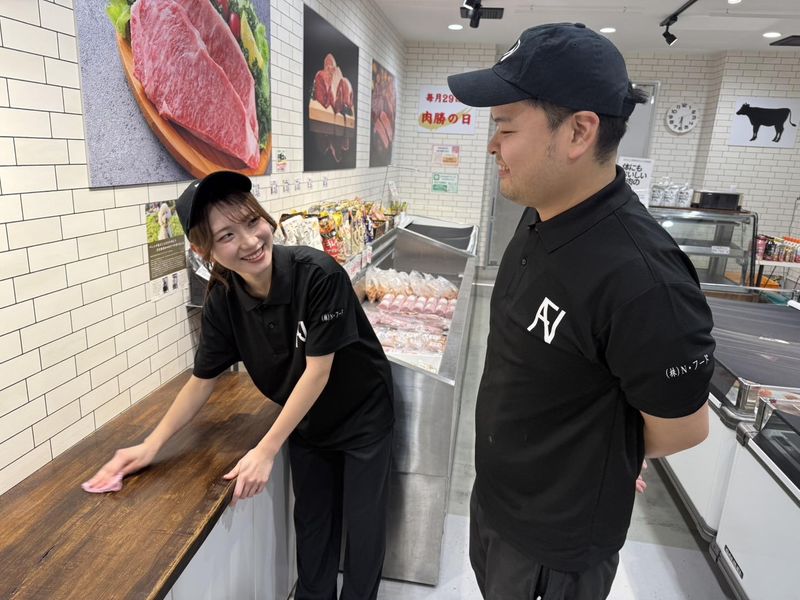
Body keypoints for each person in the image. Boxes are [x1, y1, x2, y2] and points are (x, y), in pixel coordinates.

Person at [447, 23, 715, 599]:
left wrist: (606, 456)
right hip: (496, 504)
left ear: (578, 132)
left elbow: (685, 427)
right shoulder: (542, 214)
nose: (493, 145)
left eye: (506, 126)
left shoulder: (643, 277)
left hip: (557, 547)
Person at [87, 171, 395, 600]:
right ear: (203, 249)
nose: (250, 241)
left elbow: (318, 372)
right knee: (313, 526)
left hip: (362, 415)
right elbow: (201, 381)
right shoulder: (223, 299)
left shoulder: (318, 274)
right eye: (227, 234)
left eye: (252, 222)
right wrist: (150, 445)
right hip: (307, 424)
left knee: (362, 530)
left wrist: (265, 451)